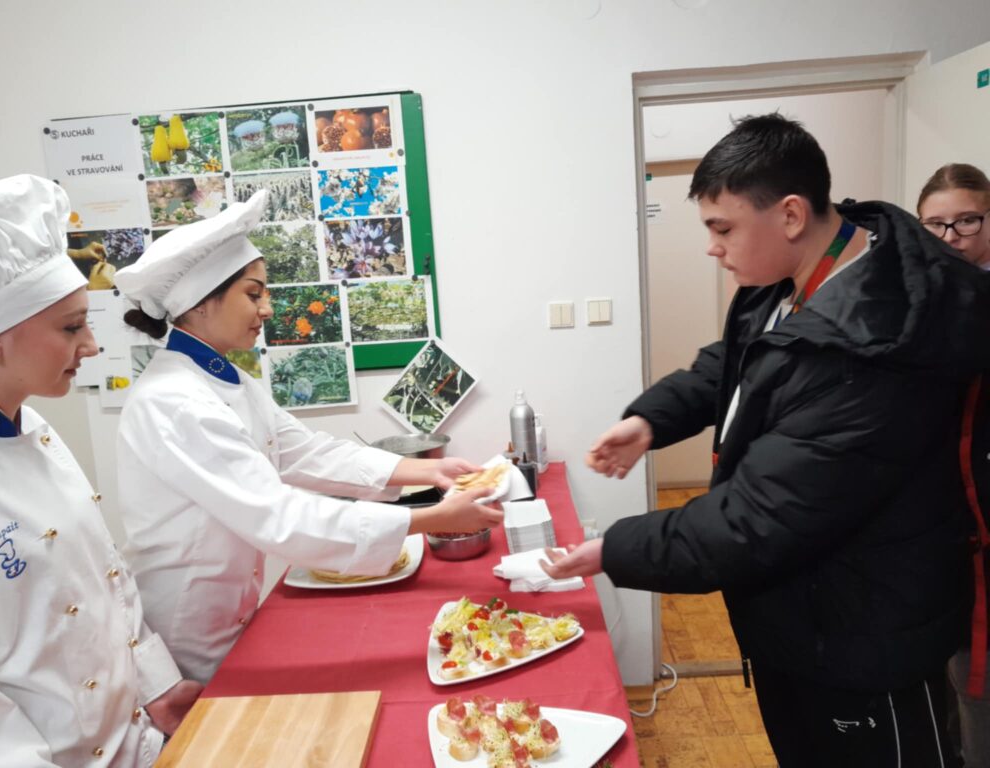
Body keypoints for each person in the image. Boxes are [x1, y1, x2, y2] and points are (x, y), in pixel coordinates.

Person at [543, 114, 990, 767]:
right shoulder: (787, 281)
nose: (712, 247)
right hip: (799, 621)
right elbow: (737, 363)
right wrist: (653, 419)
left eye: (722, 228)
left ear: (790, 214)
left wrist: (611, 550)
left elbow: (754, 520)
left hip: (864, 638)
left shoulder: (873, 348)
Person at [113, 190, 503, 684]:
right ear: (201, 304)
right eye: (253, 294)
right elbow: (279, 516)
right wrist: (429, 519)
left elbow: (307, 451)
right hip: (187, 627)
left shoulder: (224, 380)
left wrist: (430, 469)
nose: (267, 309)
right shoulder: (175, 401)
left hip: (229, 610)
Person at [0, 174, 201, 766]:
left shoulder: (34, 429)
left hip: (138, 745)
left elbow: (106, 580)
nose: (92, 345)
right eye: (72, 326)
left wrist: (159, 687)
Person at [918, 162, 990, 768]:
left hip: (980, 509)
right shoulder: (918, 298)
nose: (951, 237)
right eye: (935, 224)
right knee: (942, 665)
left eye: (966, 221)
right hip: (932, 514)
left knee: (976, 674)